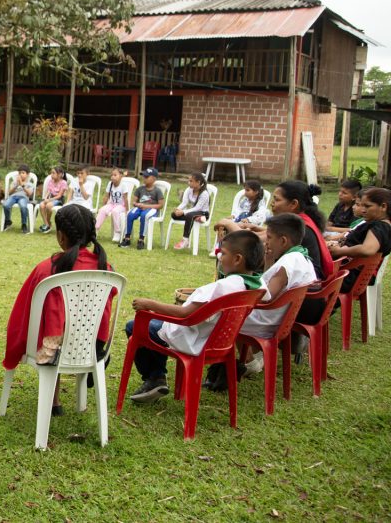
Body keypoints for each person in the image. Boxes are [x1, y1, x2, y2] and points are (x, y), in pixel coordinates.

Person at [122, 230, 264, 403]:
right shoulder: (255, 286)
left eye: (223, 253)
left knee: (135, 324)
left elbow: (185, 313)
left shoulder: (222, 287)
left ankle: (155, 377)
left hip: (193, 338)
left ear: (237, 259)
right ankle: (156, 377)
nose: (219, 257)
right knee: (153, 322)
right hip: (218, 341)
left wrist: (149, 305)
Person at [3, 205, 116, 415]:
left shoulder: (47, 269)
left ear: (61, 236)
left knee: (48, 326)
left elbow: (24, 311)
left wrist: (15, 346)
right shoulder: (106, 269)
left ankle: (53, 401)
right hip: (90, 346)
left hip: (51, 349)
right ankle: (88, 369)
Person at [237, 214, 317, 374]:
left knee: (223, 315)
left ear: (283, 241)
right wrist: (268, 260)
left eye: (269, 237)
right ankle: (255, 356)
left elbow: (266, 296)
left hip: (266, 321)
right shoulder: (301, 257)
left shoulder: (287, 264)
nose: (266, 241)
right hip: (279, 319)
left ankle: (249, 362)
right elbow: (271, 286)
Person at [249, 181, 332, 285]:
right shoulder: (302, 221)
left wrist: (230, 225)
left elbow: (253, 241)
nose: (272, 203)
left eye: (277, 199)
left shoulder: (299, 227)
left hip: (303, 288)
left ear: (293, 204)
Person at [327, 186, 391, 295]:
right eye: (361, 205)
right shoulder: (378, 225)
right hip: (348, 272)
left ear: (383, 206)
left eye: (367, 206)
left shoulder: (380, 227)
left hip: (347, 275)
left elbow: (367, 249)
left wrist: (339, 251)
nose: (362, 210)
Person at [212, 179, 269, 253]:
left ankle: (231, 249)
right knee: (222, 227)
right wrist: (233, 216)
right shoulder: (244, 200)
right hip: (239, 220)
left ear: (256, 192)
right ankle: (219, 248)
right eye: (245, 190)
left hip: (250, 224)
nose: (245, 193)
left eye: (248, 190)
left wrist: (249, 219)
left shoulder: (260, 203)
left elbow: (260, 216)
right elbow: (238, 210)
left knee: (232, 227)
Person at [119, 167, 164, 250]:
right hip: (140, 207)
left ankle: (141, 239)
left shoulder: (157, 191)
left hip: (152, 209)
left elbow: (161, 205)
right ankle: (127, 238)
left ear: (154, 179)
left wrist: (146, 206)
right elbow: (134, 201)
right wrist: (137, 204)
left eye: (147, 177)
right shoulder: (140, 189)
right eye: (144, 176)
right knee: (130, 214)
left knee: (144, 216)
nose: (144, 178)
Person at [171, 172, 211, 250]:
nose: (189, 182)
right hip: (193, 213)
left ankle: (185, 240)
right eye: (189, 180)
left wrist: (183, 212)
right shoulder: (189, 190)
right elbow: (184, 202)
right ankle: (196, 219)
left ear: (198, 182)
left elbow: (197, 208)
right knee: (174, 215)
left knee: (189, 215)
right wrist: (178, 209)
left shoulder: (204, 193)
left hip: (203, 213)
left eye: (191, 181)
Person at [95, 168, 129, 241]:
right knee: (102, 210)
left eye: (115, 175)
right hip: (112, 204)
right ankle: (95, 229)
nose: (112, 177)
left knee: (115, 211)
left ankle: (117, 232)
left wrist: (127, 210)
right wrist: (103, 206)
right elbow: (106, 196)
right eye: (112, 175)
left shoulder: (123, 185)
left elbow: (126, 199)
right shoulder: (110, 184)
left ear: (121, 176)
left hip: (121, 206)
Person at [2, 164, 37, 234]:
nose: (21, 174)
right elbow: (9, 192)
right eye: (19, 173)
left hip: (23, 198)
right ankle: (8, 221)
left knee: (23, 206)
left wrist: (22, 185)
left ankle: (24, 225)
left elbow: (30, 194)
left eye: (23, 173)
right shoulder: (15, 182)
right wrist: (16, 185)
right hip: (13, 197)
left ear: (28, 174)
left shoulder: (30, 184)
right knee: (6, 205)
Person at [37, 166, 67, 233]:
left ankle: (48, 222)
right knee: (41, 205)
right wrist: (45, 198)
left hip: (59, 199)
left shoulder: (63, 183)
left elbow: (59, 196)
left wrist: (49, 200)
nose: (51, 175)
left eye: (53, 173)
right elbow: (48, 191)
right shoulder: (51, 181)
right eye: (51, 173)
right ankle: (47, 224)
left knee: (48, 205)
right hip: (51, 198)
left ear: (60, 174)